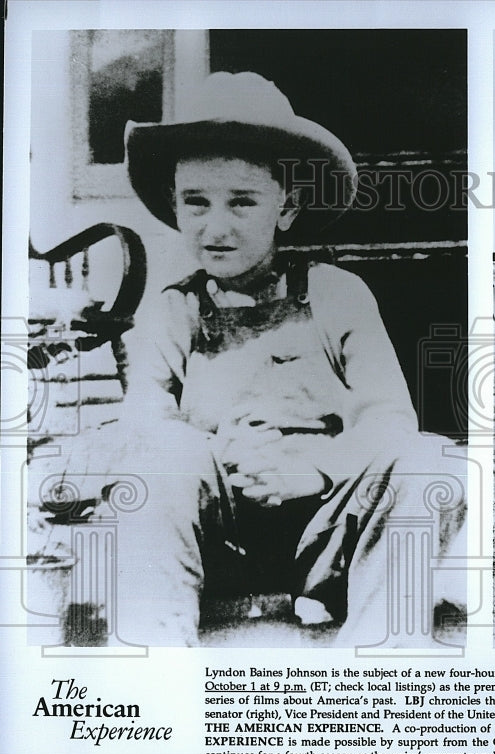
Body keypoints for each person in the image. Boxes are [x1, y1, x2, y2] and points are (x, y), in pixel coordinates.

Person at [45, 72, 465, 645]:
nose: (216, 226)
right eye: (197, 202)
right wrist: (211, 451)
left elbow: (389, 418)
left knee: (424, 461)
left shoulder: (335, 293)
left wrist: (314, 470)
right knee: (154, 454)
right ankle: (158, 647)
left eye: (242, 202)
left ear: (286, 208)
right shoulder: (176, 308)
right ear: (175, 206)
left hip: (329, 535)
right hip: (221, 538)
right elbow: (147, 415)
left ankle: (383, 652)